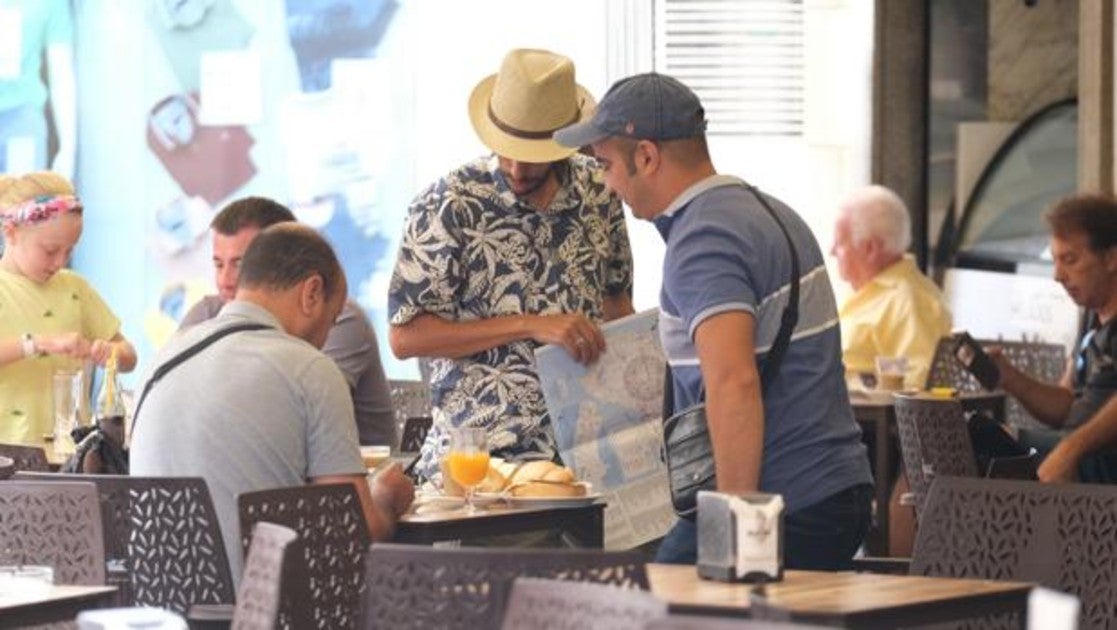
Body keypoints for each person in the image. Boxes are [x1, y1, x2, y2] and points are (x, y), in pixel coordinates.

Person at [555, 73, 872, 569]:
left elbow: (733, 382)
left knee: (647, 612)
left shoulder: (704, 240)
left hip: (782, 503)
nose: (606, 184)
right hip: (835, 490)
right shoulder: (771, 213)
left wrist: (735, 532)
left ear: (646, 156)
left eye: (606, 165)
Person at [388, 48, 634, 480]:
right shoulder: (450, 204)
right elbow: (405, 337)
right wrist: (530, 324)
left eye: (533, 153)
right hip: (487, 463)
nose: (517, 168)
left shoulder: (600, 192)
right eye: (505, 149)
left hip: (591, 456)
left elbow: (617, 307)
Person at [131, 223, 414, 580]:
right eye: (332, 319)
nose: (326, 338)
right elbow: (350, 532)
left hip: (158, 610)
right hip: (265, 607)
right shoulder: (309, 368)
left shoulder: (162, 359)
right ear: (312, 292)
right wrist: (386, 497)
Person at [180, 196, 397, 447]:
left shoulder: (334, 314)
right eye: (218, 265)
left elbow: (294, 415)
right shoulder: (207, 311)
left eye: (243, 264)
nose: (225, 280)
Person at [0, 171, 137, 445]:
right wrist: (38, 343)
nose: (60, 262)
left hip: (72, 452)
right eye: (50, 251)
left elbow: (129, 357)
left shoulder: (76, 289)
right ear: (11, 233)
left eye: (69, 251)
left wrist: (107, 352)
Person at [990, 194, 1117, 484]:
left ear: (1111, 258)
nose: (1058, 276)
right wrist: (1010, 377)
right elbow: (1066, 406)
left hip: (1101, 462)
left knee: (980, 447)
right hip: (1076, 449)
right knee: (951, 451)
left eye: (1070, 260)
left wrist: (1071, 449)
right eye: (1056, 260)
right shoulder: (1091, 318)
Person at [831, 185, 953, 389]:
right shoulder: (875, 294)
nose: (832, 251)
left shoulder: (909, 301)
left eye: (840, 243)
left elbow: (917, 384)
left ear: (870, 249)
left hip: (863, 418)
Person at [0, 0, 76, 176]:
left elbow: (61, 73)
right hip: (24, 121)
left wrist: (68, 147)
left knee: (20, 200)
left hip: (22, 120)